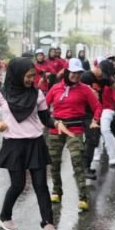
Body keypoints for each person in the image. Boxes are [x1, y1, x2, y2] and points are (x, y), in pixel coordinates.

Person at [0, 57, 57, 230]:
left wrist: (58, 124)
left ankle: (47, 222)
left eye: (34, 76)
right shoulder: (1, 93)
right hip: (14, 143)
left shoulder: (37, 94)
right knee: (18, 185)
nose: (32, 80)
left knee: (41, 185)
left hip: (35, 142)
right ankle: (4, 216)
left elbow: (45, 119)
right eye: (29, 76)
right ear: (17, 74)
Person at [47, 58, 101, 212]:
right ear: (66, 72)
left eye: (78, 73)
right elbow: (43, 105)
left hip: (75, 129)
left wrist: (95, 120)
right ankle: (57, 190)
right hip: (57, 127)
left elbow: (97, 107)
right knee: (54, 162)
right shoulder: (56, 88)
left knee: (78, 161)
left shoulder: (85, 89)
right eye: (73, 72)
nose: (76, 76)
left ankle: (83, 197)